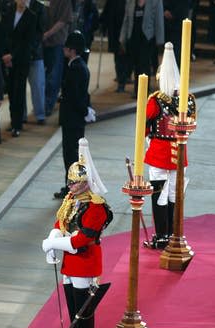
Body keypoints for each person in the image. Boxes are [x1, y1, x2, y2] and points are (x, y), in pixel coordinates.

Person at [41, 138, 113, 328]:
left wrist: (53, 244)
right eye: (70, 182)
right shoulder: (72, 200)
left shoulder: (95, 207)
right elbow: (61, 221)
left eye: (75, 183)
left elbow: (82, 239)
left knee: (83, 311)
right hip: (70, 261)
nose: (70, 186)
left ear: (85, 183)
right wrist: (53, 240)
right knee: (73, 309)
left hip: (85, 261)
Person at [143, 42, 190, 249]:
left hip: (159, 151)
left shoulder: (155, 101)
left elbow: (144, 126)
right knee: (173, 193)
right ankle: (173, 233)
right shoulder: (186, 100)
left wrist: (147, 141)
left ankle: (162, 235)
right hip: (179, 151)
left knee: (159, 192)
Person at [54, 30, 91, 200]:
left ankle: (72, 187)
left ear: (73, 50)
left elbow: (76, 96)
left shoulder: (76, 68)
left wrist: (84, 110)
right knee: (71, 154)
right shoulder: (77, 66)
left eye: (67, 47)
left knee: (71, 155)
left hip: (73, 119)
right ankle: (72, 186)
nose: (64, 50)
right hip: (73, 118)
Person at [1, 0, 37, 137]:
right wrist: (5, 55)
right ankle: (13, 121)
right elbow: (5, 35)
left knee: (19, 91)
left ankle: (17, 124)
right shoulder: (8, 12)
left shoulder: (31, 16)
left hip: (21, 59)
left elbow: (27, 41)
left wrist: (12, 56)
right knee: (10, 90)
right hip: (8, 59)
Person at [119, 0, 165, 97]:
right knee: (136, 65)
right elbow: (126, 20)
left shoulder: (155, 2)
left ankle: (144, 90)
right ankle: (137, 91)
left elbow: (159, 20)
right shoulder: (130, 2)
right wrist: (122, 39)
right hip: (133, 37)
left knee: (144, 65)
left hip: (147, 38)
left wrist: (160, 40)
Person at [43, 0, 72, 116]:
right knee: (42, 76)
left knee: (54, 76)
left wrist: (47, 34)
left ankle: (49, 105)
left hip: (57, 42)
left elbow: (63, 21)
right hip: (42, 43)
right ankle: (43, 103)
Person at [100, 0, 131, 93]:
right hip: (114, 31)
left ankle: (124, 78)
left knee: (124, 57)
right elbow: (106, 13)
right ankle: (121, 79)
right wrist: (103, 26)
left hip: (126, 32)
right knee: (118, 58)